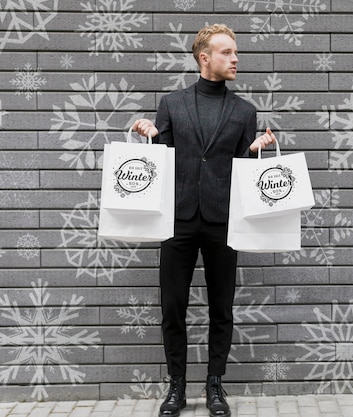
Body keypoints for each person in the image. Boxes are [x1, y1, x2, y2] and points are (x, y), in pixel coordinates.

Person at [131, 24, 276, 417]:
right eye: (227, 52)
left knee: (221, 307)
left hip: (221, 220)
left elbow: (246, 173)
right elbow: (156, 161)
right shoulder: (172, 103)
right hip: (177, 219)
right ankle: (176, 387)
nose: (235, 59)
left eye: (236, 53)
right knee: (173, 306)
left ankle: (215, 386)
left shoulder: (245, 111)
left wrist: (257, 149)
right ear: (204, 58)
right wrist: (146, 134)